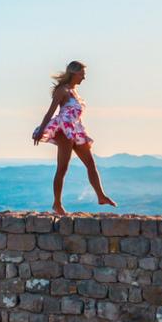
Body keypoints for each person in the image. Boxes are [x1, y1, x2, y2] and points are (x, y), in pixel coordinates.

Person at [32, 60, 117, 215]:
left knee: (91, 164)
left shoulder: (74, 91)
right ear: (74, 73)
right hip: (64, 129)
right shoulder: (62, 90)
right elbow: (50, 112)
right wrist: (41, 129)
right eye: (82, 74)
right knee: (62, 168)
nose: (84, 77)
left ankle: (101, 196)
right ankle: (57, 204)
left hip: (76, 129)